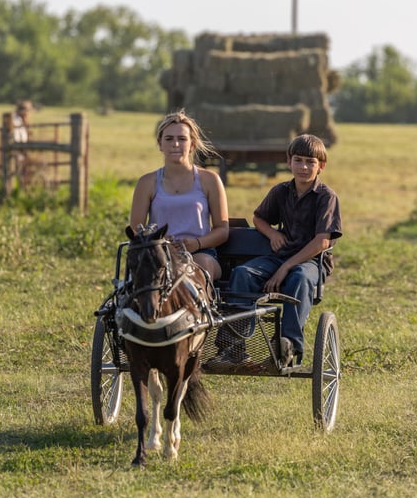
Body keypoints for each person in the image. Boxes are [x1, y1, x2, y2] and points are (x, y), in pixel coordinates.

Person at [223, 133, 342, 366]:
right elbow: (258, 218)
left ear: (321, 166)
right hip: (280, 256)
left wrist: (286, 267)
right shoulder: (281, 191)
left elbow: (322, 243)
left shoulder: (326, 197)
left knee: (298, 277)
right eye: (298, 160)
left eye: (311, 162)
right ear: (288, 162)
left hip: (311, 261)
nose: (304, 167)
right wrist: (273, 233)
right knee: (242, 274)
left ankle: (288, 346)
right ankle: (234, 347)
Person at [129, 109, 229, 282]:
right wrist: (158, 241)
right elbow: (135, 229)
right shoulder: (147, 182)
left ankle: (199, 308)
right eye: (169, 139)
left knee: (199, 267)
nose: (175, 144)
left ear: (192, 144)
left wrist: (196, 244)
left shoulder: (210, 180)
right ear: (160, 144)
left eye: (182, 139)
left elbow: (222, 229)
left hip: (201, 253)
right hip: (158, 252)